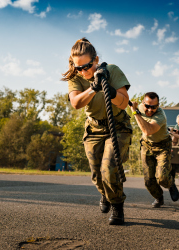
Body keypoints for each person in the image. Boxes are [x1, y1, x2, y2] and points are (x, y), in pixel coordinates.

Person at [62, 38, 132, 225]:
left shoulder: (113, 71)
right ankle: (105, 194)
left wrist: (110, 91)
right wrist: (93, 88)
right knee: (97, 175)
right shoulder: (76, 78)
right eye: (79, 68)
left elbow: (124, 103)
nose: (83, 71)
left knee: (109, 169)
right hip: (94, 129)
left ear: (96, 59)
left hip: (117, 126)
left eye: (87, 66)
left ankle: (117, 206)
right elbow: (76, 103)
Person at [129, 92, 179, 208]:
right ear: (143, 103)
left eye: (154, 107)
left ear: (158, 106)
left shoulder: (160, 116)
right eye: (147, 106)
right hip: (147, 145)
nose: (150, 110)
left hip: (162, 146)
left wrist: (135, 112)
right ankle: (158, 197)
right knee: (148, 181)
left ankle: (170, 183)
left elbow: (148, 131)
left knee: (162, 178)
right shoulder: (139, 107)